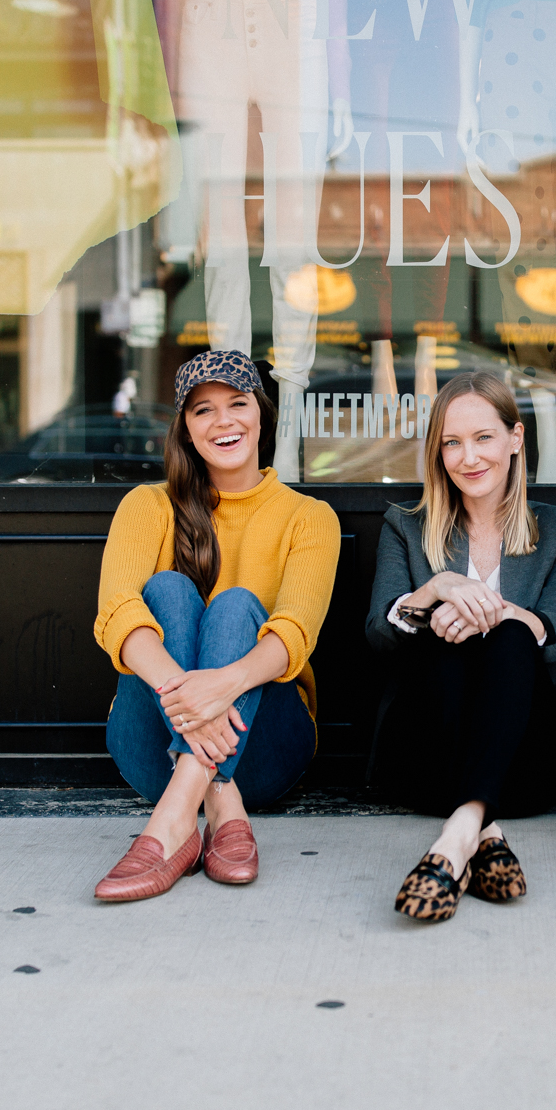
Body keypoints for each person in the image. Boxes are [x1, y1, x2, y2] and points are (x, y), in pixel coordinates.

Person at [92, 350, 340, 901]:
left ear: (261, 415)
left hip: (266, 752)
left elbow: (294, 634)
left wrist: (220, 686)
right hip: (150, 744)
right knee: (167, 592)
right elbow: (116, 615)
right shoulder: (147, 506)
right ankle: (218, 803)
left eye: (237, 404)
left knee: (235, 607)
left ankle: (173, 822)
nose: (223, 421)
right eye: (203, 410)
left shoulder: (309, 517)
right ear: (185, 428)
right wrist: (190, 703)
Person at [366, 371, 556, 923]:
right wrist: (435, 591)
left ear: (515, 438)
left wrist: (489, 614)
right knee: (437, 635)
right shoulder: (406, 527)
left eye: (484, 437)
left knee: (512, 634)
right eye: (452, 442)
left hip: (529, 762)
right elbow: (378, 630)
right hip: (421, 756)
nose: (469, 457)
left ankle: (457, 834)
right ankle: (476, 831)